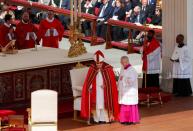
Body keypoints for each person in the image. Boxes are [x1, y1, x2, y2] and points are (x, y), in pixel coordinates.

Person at [81, 50, 119, 124]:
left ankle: (105, 119)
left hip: (105, 91)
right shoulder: (92, 68)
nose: (98, 66)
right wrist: (90, 86)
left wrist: (106, 85)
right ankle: (96, 119)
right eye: (97, 64)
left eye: (100, 64)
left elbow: (111, 81)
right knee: (97, 104)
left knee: (104, 104)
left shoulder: (108, 68)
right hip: (95, 90)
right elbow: (89, 80)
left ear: (103, 62)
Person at [118, 56, 140, 125]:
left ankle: (130, 120)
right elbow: (120, 79)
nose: (124, 64)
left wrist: (123, 80)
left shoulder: (132, 70)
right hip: (124, 92)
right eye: (122, 62)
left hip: (130, 91)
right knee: (124, 105)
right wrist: (118, 84)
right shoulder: (122, 69)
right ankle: (124, 119)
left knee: (129, 106)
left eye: (125, 62)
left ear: (128, 61)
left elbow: (131, 81)